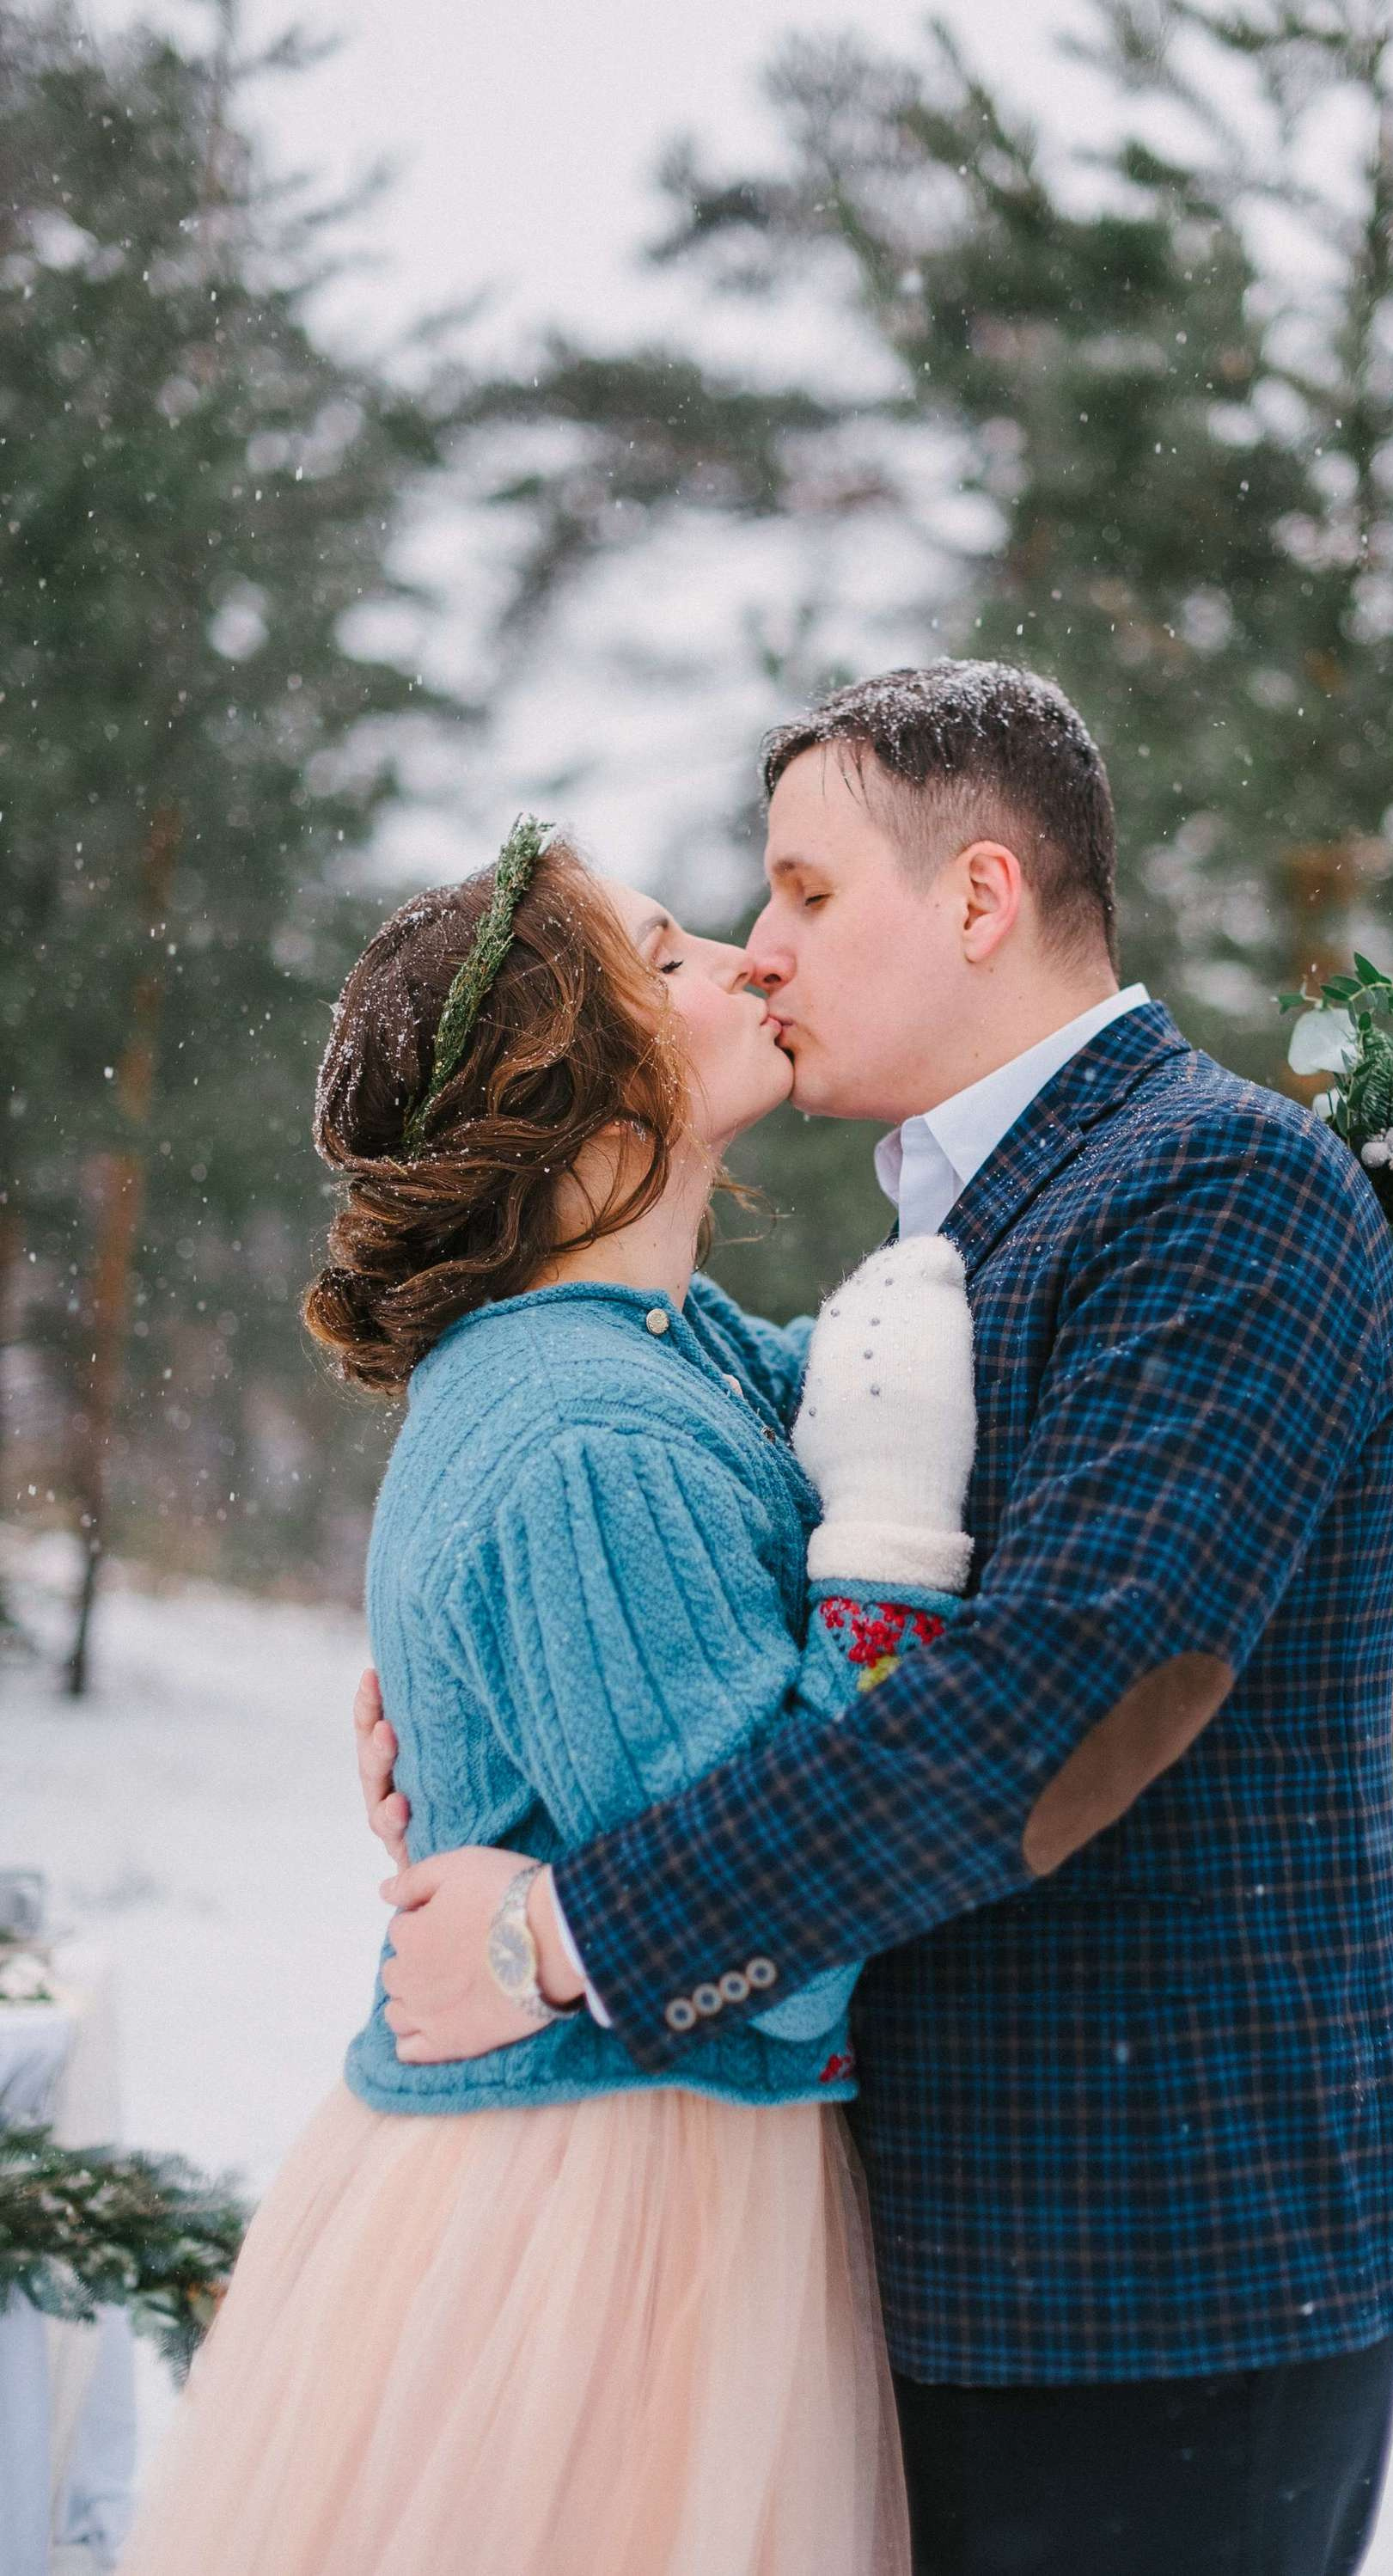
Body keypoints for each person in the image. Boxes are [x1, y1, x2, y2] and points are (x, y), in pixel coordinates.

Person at [364, 663, 1393, 2576]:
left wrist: (571, 1931)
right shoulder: (964, 1230)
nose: (764, 948)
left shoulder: (1214, 1186)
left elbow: (1072, 1693)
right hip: (945, 2257)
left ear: (979, 896)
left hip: (1155, 2270)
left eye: (806, 890)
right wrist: (482, 1697)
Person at [117, 819, 981, 2576]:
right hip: (614, 2231)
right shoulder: (585, 1432)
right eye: (665, 956)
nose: (746, 956)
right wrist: (892, 1551)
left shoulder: (656, 1347)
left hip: (633, 2170)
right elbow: (778, 1937)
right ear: (574, 1105)